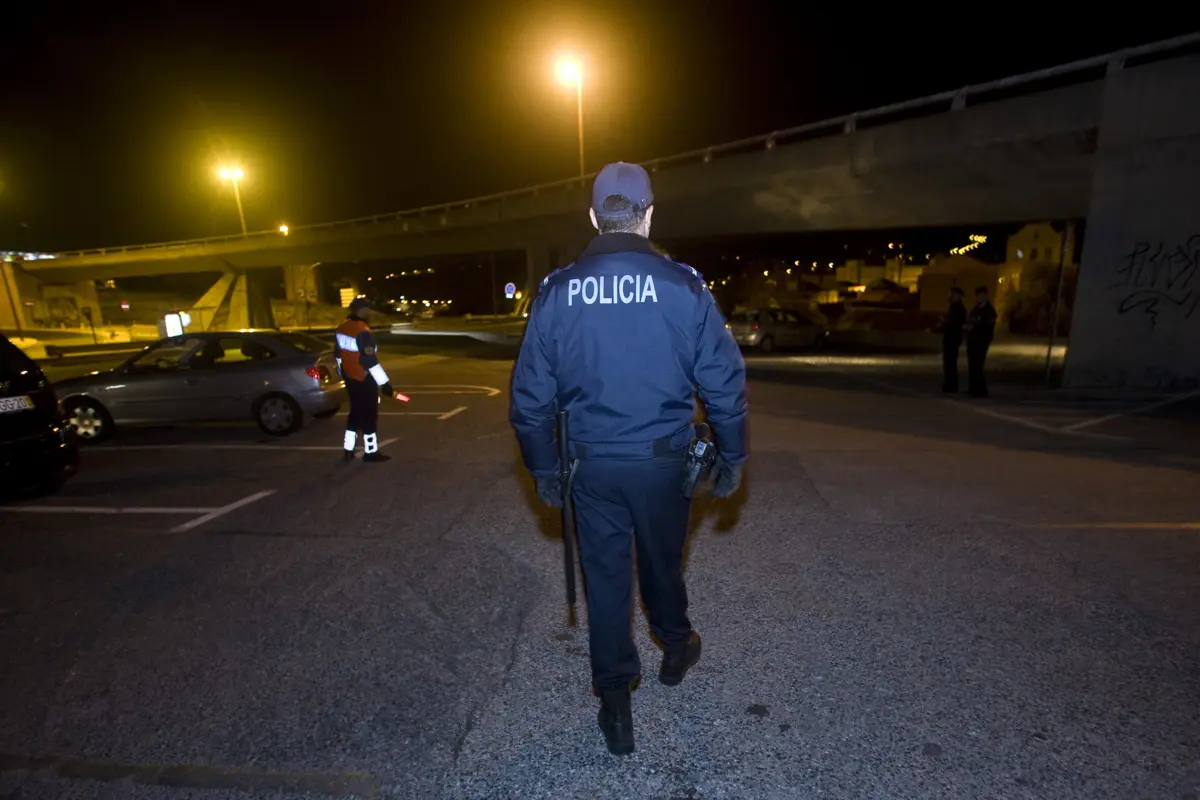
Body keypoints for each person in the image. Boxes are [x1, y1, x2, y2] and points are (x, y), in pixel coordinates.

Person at [509, 161, 749, 756]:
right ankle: (675, 645)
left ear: (594, 217)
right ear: (649, 215)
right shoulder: (684, 287)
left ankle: (615, 703)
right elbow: (724, 385)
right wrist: (733, 453)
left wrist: (543, 468)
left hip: (591, 465)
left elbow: (530, 400)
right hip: (664, 463)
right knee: (663, 563)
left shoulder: (557, 291)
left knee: (607, 578)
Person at [334, 298, 395, 462]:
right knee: (369, 415)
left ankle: (348, 449)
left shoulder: (341, 328)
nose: (370, 312)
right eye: (369, 309)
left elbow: (338, 355)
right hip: (364, 378)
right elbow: (369, 361)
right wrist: (385, 383)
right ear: (362, 310)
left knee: (355, 413)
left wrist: (344, 374)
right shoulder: (362, 331)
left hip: (350, 378)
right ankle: (371, 452)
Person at [965, 285, 997, 398]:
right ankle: (973, 388)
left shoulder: (989, 310)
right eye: (978, 295)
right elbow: (970, 319)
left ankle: (981, 390)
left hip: (981, 340)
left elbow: (988, 324)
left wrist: (977, 323)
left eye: (981, 295)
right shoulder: (976, 308)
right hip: (973, 340)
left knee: (978, 364)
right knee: (972, 364)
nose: (979, 297)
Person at [941, 286, 966, 393]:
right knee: (948, 363)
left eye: (953, 294)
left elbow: (956, 324)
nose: (950, 296)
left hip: (953, 338)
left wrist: (946, 324)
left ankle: (951, 385)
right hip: (950, 337)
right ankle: (949, 384)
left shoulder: (959, 308)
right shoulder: (953, 307)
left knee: (951, 362)